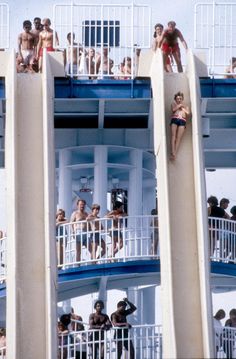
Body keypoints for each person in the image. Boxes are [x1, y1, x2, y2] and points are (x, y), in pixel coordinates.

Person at [170, 91, 190, 160]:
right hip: (175, 119)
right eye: (177, 98)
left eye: (180, 98)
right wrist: (179, 106)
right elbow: (173, 110)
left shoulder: (185, 106)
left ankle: (174, 153)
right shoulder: (173, 104)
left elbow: (188, 113)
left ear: (182, 99)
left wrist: (182, 107)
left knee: (179, 138)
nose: (179, 100)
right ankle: (173, 152)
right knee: (173, 136)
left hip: (182, 120)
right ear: (175, 99)